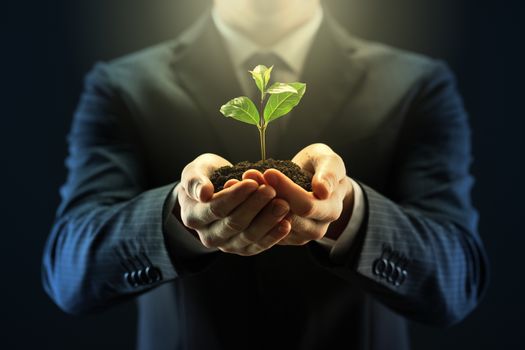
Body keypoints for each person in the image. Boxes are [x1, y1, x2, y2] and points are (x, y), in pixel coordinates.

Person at [41, 0, 489, 349]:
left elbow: (457, 282)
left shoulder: (415, 84)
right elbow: (68, 272)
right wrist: (179, 214)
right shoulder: (123, 86)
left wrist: (349, 212)